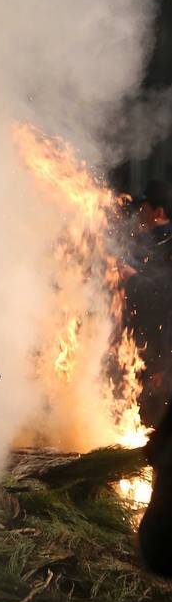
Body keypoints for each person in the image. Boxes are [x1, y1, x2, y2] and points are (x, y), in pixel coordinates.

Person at [125, 179, 172, 426]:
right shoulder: (146, 242)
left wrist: (132, 278)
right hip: (141, 343)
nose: (139, 214)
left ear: (159, 212)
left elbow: (164, 292)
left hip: (163, 349)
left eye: (143, 208)